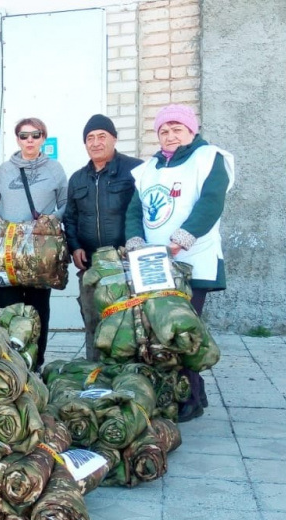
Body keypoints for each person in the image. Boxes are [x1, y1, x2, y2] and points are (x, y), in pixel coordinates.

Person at [125, 104, 236, 422]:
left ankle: (190, 398)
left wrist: (184, 237)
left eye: (177, 129)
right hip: (155, 263)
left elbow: (211, 202)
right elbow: (135, 210)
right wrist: (135, 240)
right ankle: (189, 391)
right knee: (159, 332)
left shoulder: (210, 158)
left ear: (191, 131)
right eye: (164, 131)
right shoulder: (148, 168)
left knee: (182, 331)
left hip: (193, 259)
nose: (170, 135)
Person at [63, 114, 143, 361]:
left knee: (129, 323)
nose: (96, 143)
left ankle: (130, 373)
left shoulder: (136, 169)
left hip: (126, 263)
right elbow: (70, 217)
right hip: (92, 265)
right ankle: (96, 371)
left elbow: (144, 212)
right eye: (90, 138)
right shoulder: (77, 178)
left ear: (114, 139)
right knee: (93, 322)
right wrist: (75, 247)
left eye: (102, 136)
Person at [0, 118, 68, 368]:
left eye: (35, 135)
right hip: (8, 254)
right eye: (24, 136)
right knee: (7, 309)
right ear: (17, 139)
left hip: (39, 254)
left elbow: (66, 203)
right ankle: (10, 363)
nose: (29, 140)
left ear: (43, 137)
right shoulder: (4, 170)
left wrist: (51, 220)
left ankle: (36, 363)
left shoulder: (55, 169)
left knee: (38, 309)